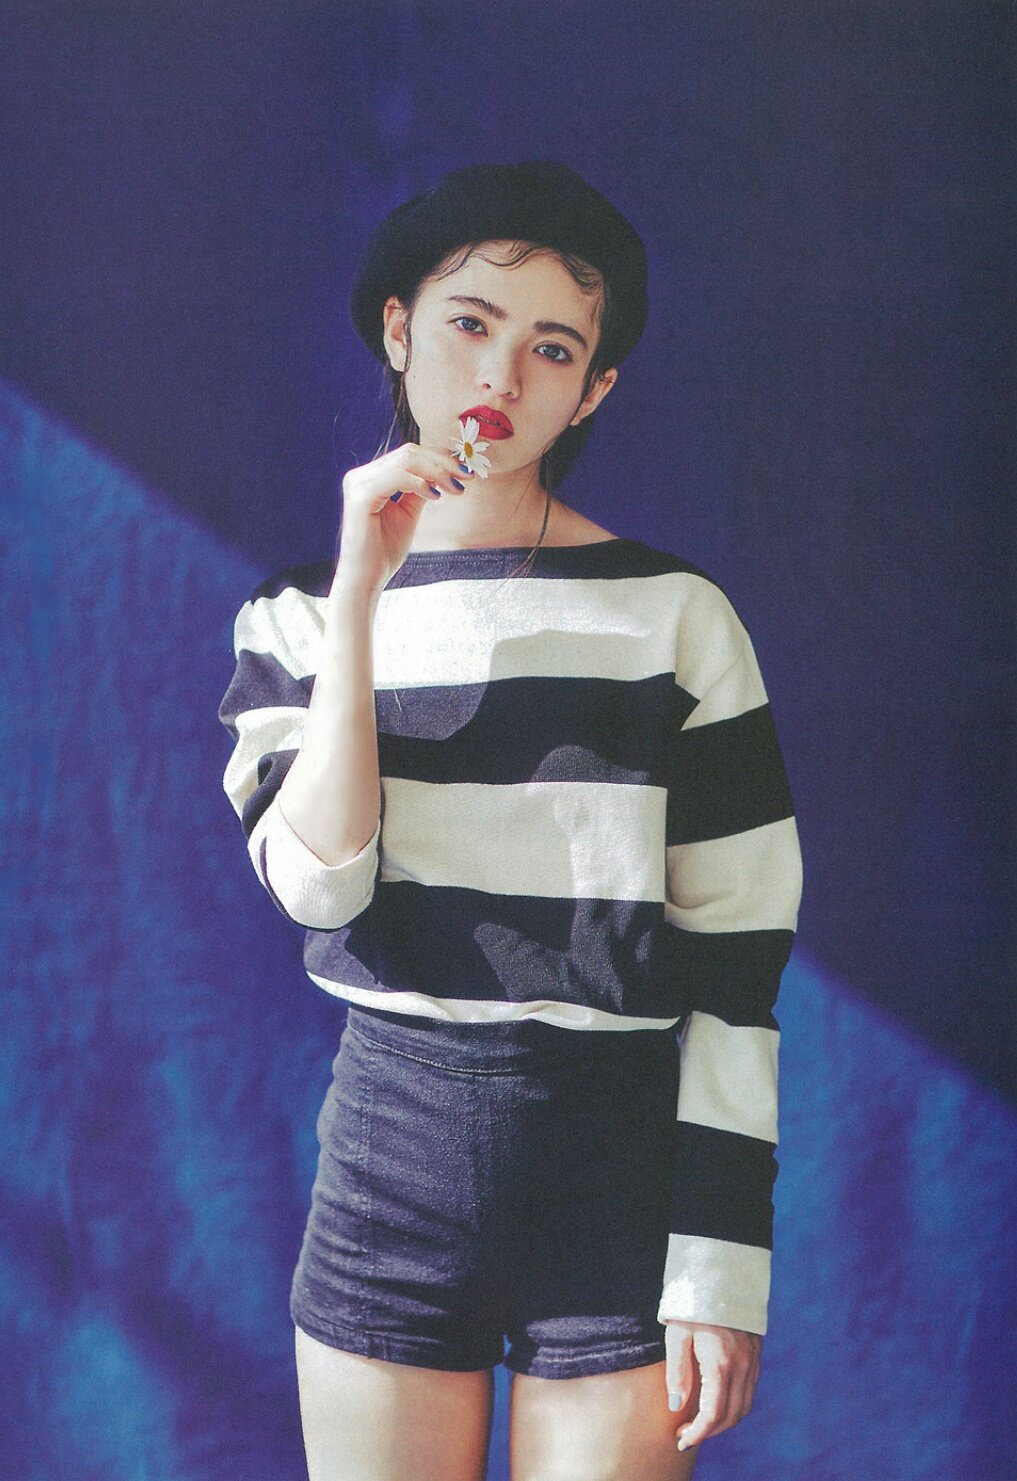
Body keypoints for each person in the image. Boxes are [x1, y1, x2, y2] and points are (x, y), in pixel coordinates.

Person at [218, 161, 802, 1481]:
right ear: (398, 329)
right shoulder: (294, 619)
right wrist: (362, 591)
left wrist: (718, 1264)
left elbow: (737, 969)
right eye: (469, 322)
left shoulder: (676, 618)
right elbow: (320, 884)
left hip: (619, 1185)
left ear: (593, 389)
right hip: (389, 1169)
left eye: (553, 347)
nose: (502, 372)